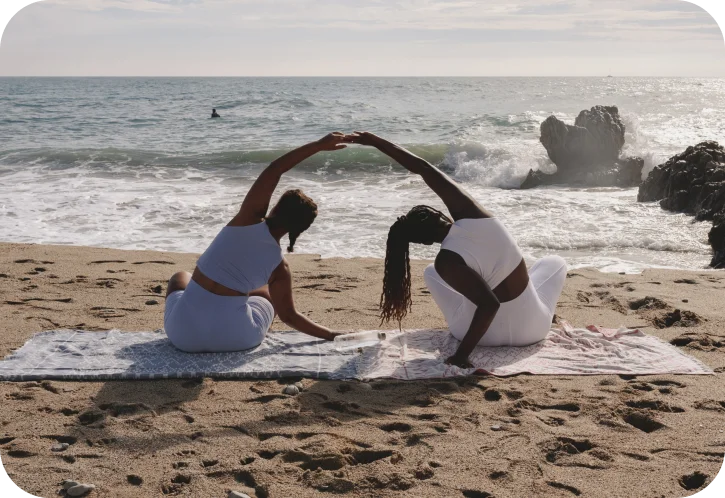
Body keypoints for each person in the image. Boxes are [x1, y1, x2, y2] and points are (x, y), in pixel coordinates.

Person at [343, 132, 567, 368]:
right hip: (531, 331)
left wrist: (463, 353)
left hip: (478, 338)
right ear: (439, 213)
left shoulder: (445, 262)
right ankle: (545, 311)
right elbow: (423, 168)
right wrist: (376, 141)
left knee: (431, 272)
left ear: (426, 242)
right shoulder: (475, 215)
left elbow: (488, 304)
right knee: (554, 262)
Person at [163, 133, 348, 353]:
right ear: (299, 229)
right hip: (237, 340)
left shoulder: (246, 219)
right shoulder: (280, 267)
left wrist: (318, 146)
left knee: (180, 277)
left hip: (183, 337)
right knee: (264, 292)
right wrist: (331, 334)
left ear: (276, 207)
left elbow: (275, 169)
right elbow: (290, 316)